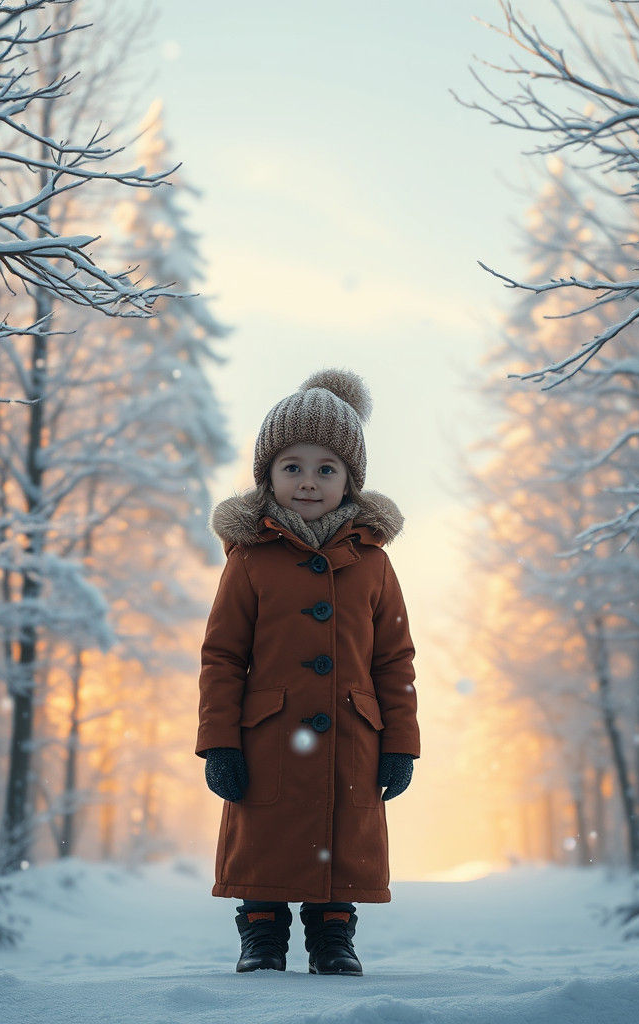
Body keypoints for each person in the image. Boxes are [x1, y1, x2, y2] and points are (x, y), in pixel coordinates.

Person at [196, 368, 419, 976]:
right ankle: (262, 932)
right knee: (265, 833)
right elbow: (221, 656)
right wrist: (219, 741)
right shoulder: (249, 561)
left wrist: (400, 743)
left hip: (353, 733)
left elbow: (395, 659)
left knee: (342, 835)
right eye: (292, 466)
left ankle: (334, 934)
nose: (308, 482)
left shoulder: (372, 562)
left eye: (327, 468)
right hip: (266, 731)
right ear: (267, 474)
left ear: (350, 480)